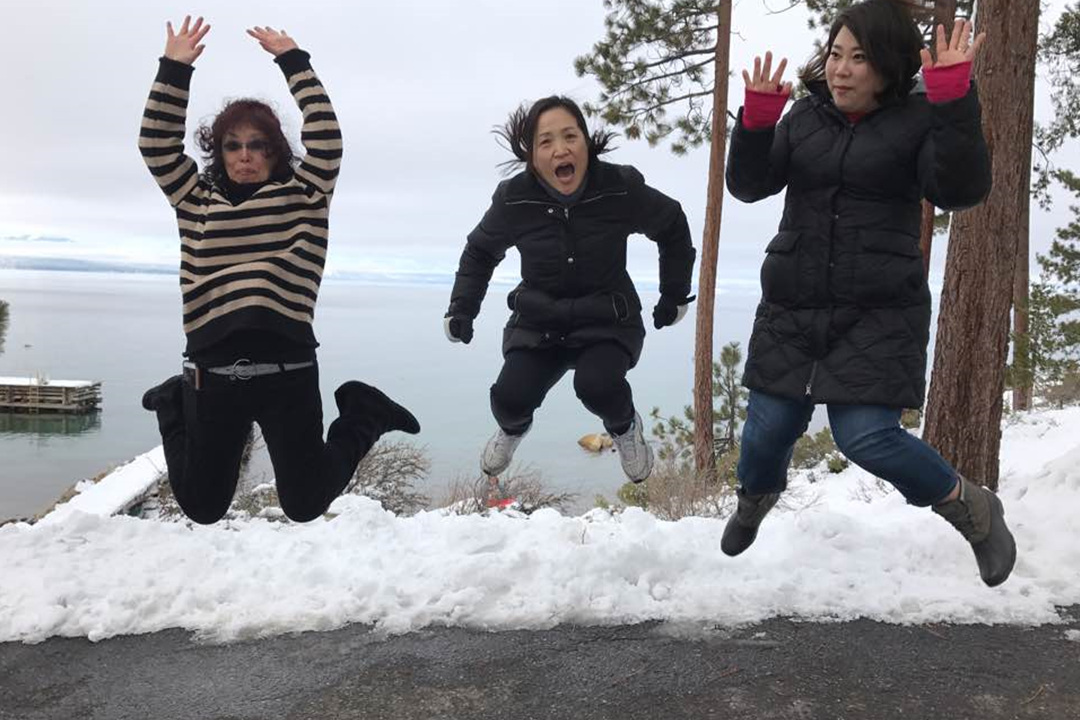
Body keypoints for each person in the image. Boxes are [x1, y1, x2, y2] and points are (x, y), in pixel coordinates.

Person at [723, 0, 1016, 586]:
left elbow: (960, 190)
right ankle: (755, 498)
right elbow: (748, 186)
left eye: (858, 58)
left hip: (877, 313)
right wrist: (755, 123)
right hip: (794, 306)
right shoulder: (804, 118)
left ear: (887, 65)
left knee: (867, 437)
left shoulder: (917, 120)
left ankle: (969, 506)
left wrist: (954, 100)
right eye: (835, 54)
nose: (841, 69)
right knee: (765, 433)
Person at [138, 16, 419, 524]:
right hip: (211, 374)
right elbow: (156, 147)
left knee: (305, 504)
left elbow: (327, 138)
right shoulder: (195, 199)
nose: (245, 156)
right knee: (202, 506)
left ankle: (364, 413)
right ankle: (172, 404)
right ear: (220, 152)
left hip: (288, 371)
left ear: (275, 150)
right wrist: (174, 70)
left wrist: (293, 61)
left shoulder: (305, 195)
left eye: (258, 145)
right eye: (233, 145)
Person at [444, 96, 696, 483]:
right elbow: (480, 251)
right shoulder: (514, 198)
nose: (560, 149)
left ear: (586, 142)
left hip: (605, 318)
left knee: (598, 387)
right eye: (546, 141)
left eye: (570, 136)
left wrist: (674, 294)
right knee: (509, 400)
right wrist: (462, 308)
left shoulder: (619, 188)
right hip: (539, 320)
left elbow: (671, 224)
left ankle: (626, 429)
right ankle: (512, 430)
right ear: (532, 155)